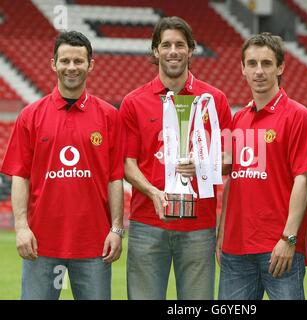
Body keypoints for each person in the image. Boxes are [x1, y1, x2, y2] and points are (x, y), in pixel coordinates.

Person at [0, 31, 125, 300]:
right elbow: (19, 176)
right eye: (65, 60)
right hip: (41, 245)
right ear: (53, 64)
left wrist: (116, 229)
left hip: (94, 246)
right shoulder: (30, 116)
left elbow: (115, 178)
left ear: (90, 64)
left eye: (78, 61)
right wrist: (21, 227)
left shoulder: (109, 116)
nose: (71, 67)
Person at [119, 16, 232, 300]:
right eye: (166, 44)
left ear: (191, 50)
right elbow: (126, 164)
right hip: (148, 222)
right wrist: (152, 192)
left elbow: (229, 157)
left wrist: (204, 165)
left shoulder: (214, 99)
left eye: (180, 45)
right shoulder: (134, 101)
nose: (173, 51)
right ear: (155, 50)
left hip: (199, 225)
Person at [216, 33, 307, 300]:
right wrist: (221, 234)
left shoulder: (298, 115)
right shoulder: (238, 119)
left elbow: (304, 180)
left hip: (278, 248)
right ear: (242, 69)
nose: (259, 71)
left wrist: (288, 239)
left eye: (266, 63)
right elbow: (234, 181)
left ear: (281, 67)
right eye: (252, 64)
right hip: (235, 249)